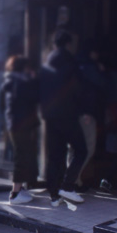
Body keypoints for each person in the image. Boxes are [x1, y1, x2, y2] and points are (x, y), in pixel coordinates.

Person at [40, 29, 87, 206]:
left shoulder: (46, 65)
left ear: (54, 44)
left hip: (50, 116)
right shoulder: (72, 63)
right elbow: (79, 89)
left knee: (55, 155)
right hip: (68, 114)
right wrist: (83, 109)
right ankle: (68, 185)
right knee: (81, 149)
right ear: (68, 44)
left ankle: (54, 195)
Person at [2, 55, 40, 205]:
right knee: (21, 156)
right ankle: (15, 192)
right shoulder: (21, 82)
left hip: (14, 123)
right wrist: (34, 80)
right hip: (21, 124)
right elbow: (32, 98)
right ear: (24, 68)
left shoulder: (11, 80)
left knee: (22, 154)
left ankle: (19, 189)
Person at [76, 42, 108, 190]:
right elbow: (101, 86)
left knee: (75, 148)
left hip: (76, 113)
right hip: (87, 114)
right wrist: (101, 71)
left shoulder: (77, 66)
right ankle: (72, 181)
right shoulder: (91, 69)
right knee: (87, 148)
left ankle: (73, 180)